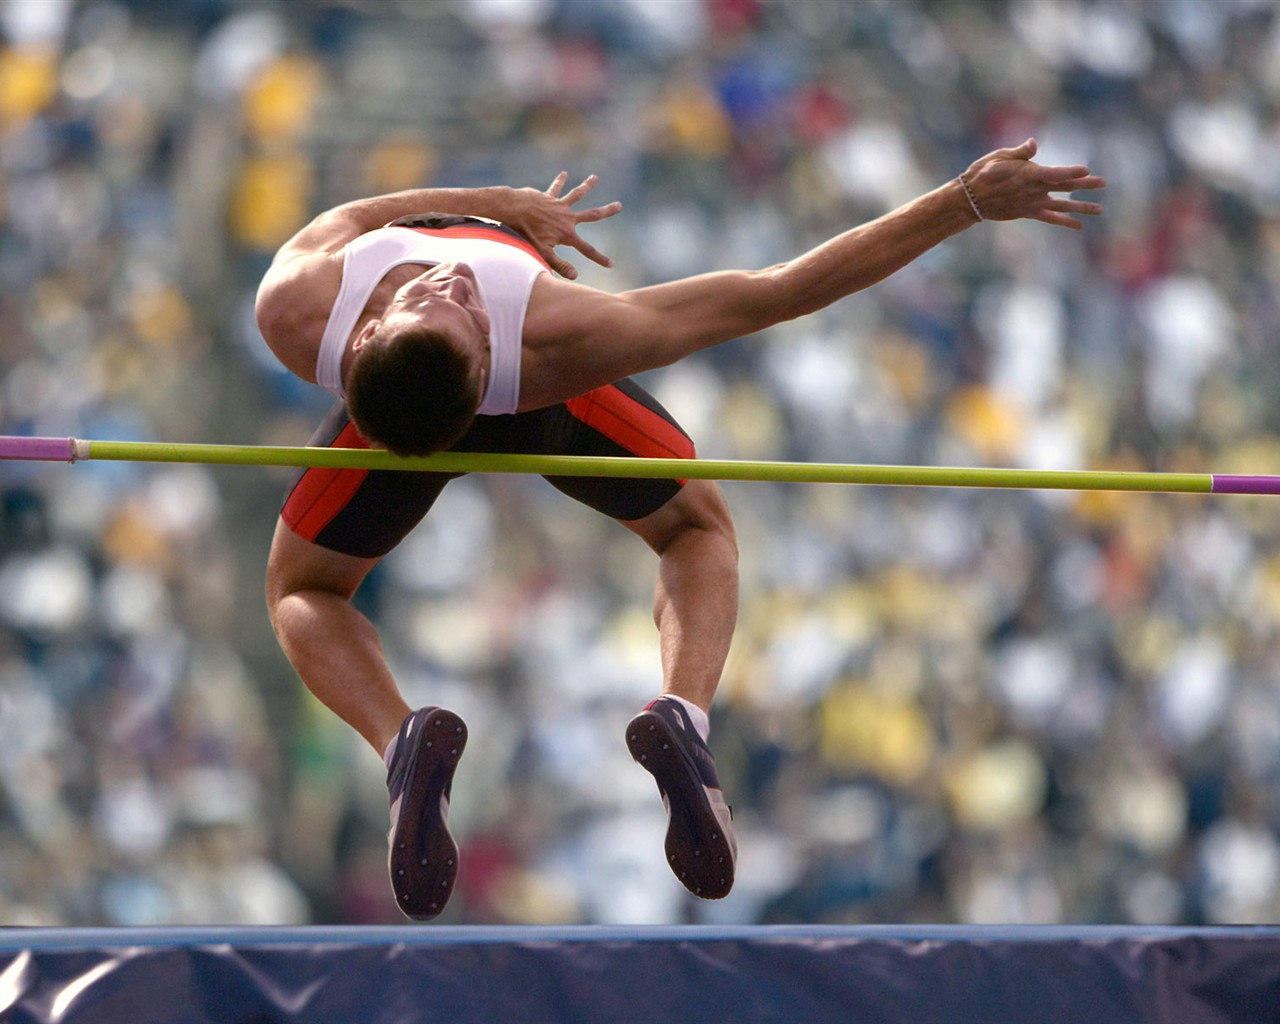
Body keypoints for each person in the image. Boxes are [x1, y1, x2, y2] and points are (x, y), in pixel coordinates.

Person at [255, 138, 1104, 920]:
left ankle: (401, 739)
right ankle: (683, 715)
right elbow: (779, 289)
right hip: (550, 393)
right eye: (457, 311)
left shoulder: (295, 308)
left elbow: (358, 217)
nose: (457, 287)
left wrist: (494, 201)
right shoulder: (559, 336)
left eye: (450, 297)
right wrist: (964, 201)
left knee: (302, 589)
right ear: (482, 366)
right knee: (697, 530)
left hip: (397, 422)